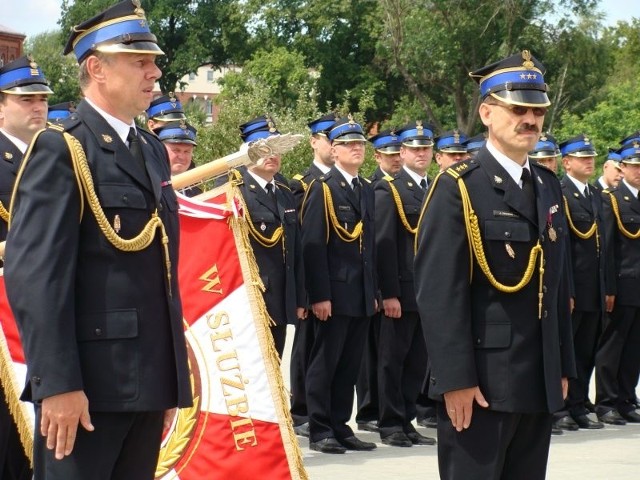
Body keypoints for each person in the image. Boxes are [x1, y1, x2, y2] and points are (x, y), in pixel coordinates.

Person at [3, 2, 193, 478]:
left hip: (146, 381)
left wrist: (170, 384)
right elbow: (35, 277)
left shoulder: (149, 148)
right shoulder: (62, 147)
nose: (154, 73)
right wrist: (57, 384)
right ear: (96, 68)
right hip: (86, 390)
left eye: (153, 62)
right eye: (140, 62)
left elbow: (160, 275)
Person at [415, 50, 575, 480]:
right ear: (486, 112)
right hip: (481, 385)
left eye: (537, 110)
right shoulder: (458, 188)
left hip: (537, 377)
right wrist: (454, 380)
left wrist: (562, 366)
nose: (530, 119)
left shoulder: (546, 184)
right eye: (517, 108)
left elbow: (556, 285)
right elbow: (438, 295)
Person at [300, 115, 377, 454]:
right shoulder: (324, 188)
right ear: (333, 149)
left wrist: (373, 292)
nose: (356, 149)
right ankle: (319, 428)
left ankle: (340, 424)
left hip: (359, 294)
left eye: (360, 143)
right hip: (333, 293)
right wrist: (319, 295)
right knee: (325, 363)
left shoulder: (364, 189)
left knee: (349, 365)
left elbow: (370, 247)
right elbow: (312, 246)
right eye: (348, 144)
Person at [0, 53, 53, 480]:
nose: (38, 106)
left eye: (42, 99)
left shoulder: (52, 155)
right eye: (26, 100)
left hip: (44, 311)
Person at [374, 121, 435, 447]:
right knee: (392, 361)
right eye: (414, 148)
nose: (421, 154)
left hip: (427, 293)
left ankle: (408, 419)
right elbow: (384, 245)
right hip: (402, 291)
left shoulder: (434, 187)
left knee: (417, 362)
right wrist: (390, 293)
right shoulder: (390, 189)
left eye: (425, 148)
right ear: (402, 152)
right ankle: (391, 423)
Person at [232, 115, 306, 358]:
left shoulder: (283, 190)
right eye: (264, 148)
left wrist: (298, 296)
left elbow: (294, 249)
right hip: (250, 300)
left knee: (275, 367)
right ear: (248, 151)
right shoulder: (234, 188)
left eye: (276, 148)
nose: (272, 154)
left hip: (281, 299)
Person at [551, 134, 606, 431]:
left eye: (591, 157)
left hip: (593, 288)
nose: (589, 162)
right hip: (573, 287)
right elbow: (562, 249)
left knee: (586, 350)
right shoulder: (560, 193)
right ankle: (560, 407)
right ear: (567, 162)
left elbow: (601, 245)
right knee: (567, 350)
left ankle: (578, 403)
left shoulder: (593, 194)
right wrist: (567, 291)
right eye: (582, 158)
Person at [289, 112, 337, 438]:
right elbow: (301, 241)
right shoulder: (302, 184)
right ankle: (301, 409)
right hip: (312, 282)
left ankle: (327, 411)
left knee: (333, 354)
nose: (335, 146)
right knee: (307, 349)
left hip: (342, 286)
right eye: (329, 138)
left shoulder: (346, 183)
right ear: (314, 141)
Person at [355, 128, 403, 434]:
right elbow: (380, 244)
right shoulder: (378, 188)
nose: (396, 159)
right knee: (371, 355)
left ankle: (375, 409)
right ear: (378, 157)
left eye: (399, 154)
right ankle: (369, 410)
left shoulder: (399, 188)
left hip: (385, 284)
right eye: (390, 155)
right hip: (376, 283)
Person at [595, 140, 640, 425]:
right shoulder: (612, 198)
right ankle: (606, 402)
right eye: (634, 166)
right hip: (622, 284)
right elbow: (608, 249)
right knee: (613, 346)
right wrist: (608, 287)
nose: (639, 171)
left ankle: (626, 398)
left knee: (634, 347)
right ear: (622, 168)